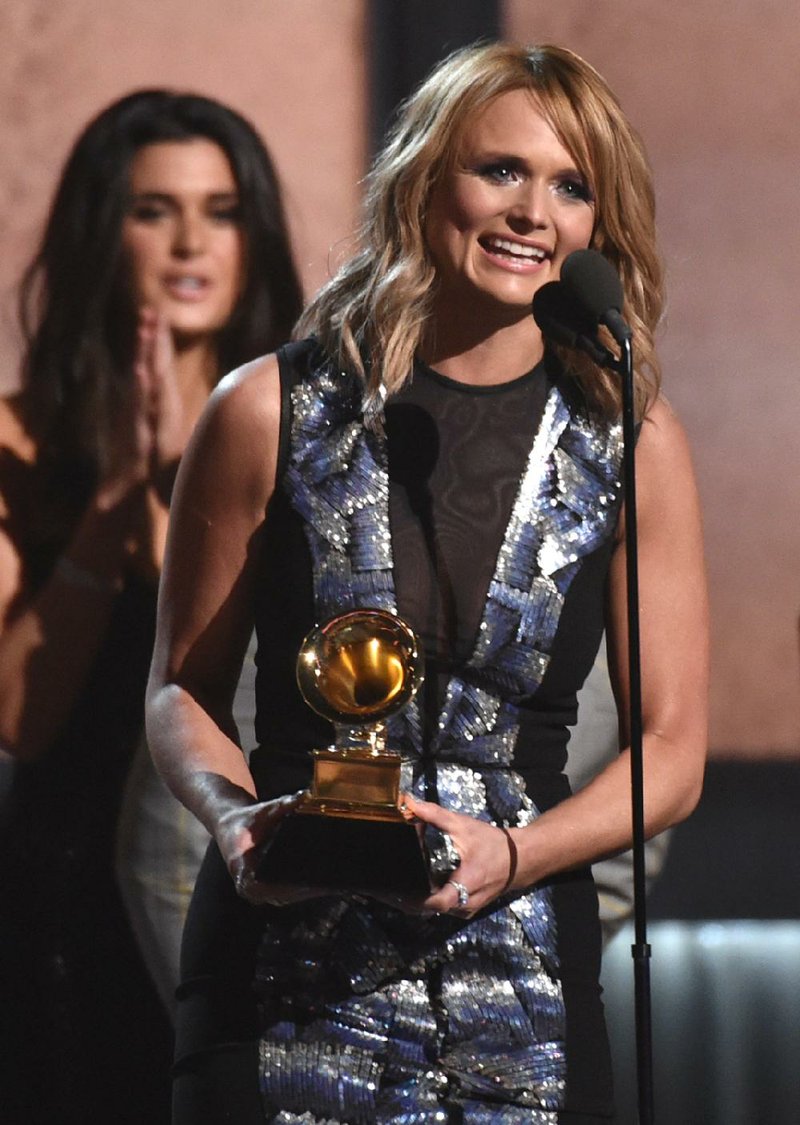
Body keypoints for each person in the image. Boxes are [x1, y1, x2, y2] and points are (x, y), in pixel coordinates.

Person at [146, 42, 708, 1123]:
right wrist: (233, 825)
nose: (531, 212)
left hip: (523, 981)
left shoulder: (630, 441)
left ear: (599, 226)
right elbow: (179, 691)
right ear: (424, 177)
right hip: (278, 973)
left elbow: (672, 753)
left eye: (570, 186)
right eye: (499, 170)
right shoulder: (264, 407)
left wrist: (513, 854)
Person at [0, 89, 302, 1123]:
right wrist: (114, 499)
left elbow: (264, 665)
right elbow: (18, 718)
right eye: (151, 210)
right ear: (99, 230)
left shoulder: (301, 436)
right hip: (61, 897)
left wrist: (184, 473)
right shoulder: (19, 443)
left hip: (247, 872)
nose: (189, 243)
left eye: (220, 211)